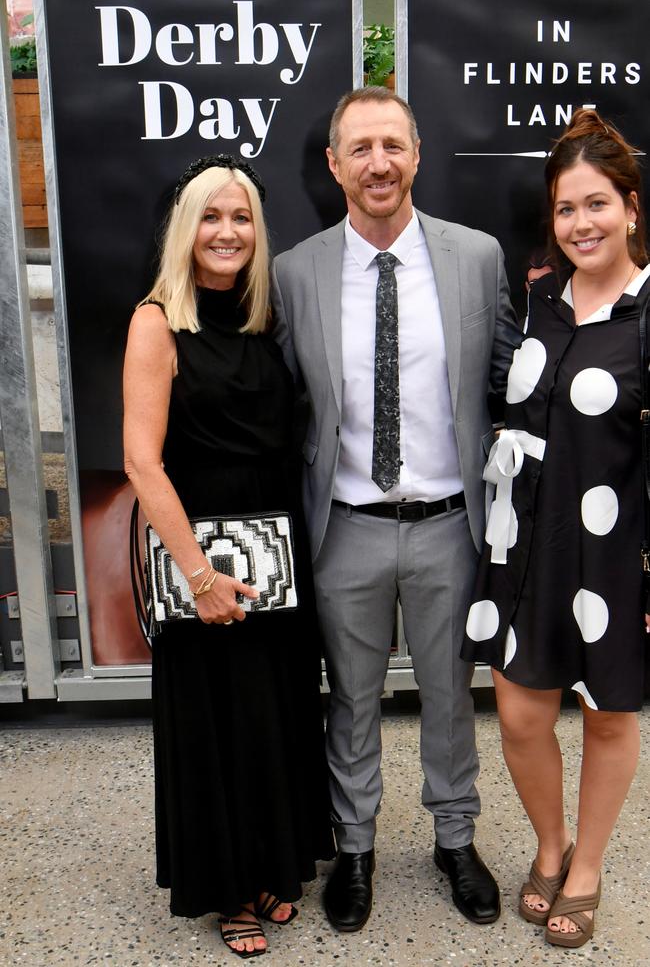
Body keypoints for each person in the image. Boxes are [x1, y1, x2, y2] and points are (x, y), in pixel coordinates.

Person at [271, 86, 521, 931]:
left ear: (417, 155)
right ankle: (355, 847)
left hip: (452, 523)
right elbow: (280, 401)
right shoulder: (296, 272)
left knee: (453, 693)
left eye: (394, 145)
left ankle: (456, 839)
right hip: (347, 528)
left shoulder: (477, 258)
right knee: (350, 696)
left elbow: (506, 382)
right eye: (360, 149)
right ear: (334, 164)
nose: (379, 163)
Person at [123, 154, 334, 959]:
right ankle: (228, 887)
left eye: (241, 217)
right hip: (203, 561)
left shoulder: (265, 317)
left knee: (275, 713)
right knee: (219, 722)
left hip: (279, 553)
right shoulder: (156, 322)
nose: (227, 231)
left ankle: (275, 861)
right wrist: (200, 577)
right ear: (185, 227)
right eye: (211, 216)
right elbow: (144, 462)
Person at [461, 108, 650, 949]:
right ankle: (549, 842)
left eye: (598, 203)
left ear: (632, 208)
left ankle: (588, 866)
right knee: (520, 717)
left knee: (608, 715)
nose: (583, 223)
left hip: (617, 557)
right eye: (568, 208)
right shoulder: (538, 299)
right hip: (524, 545)